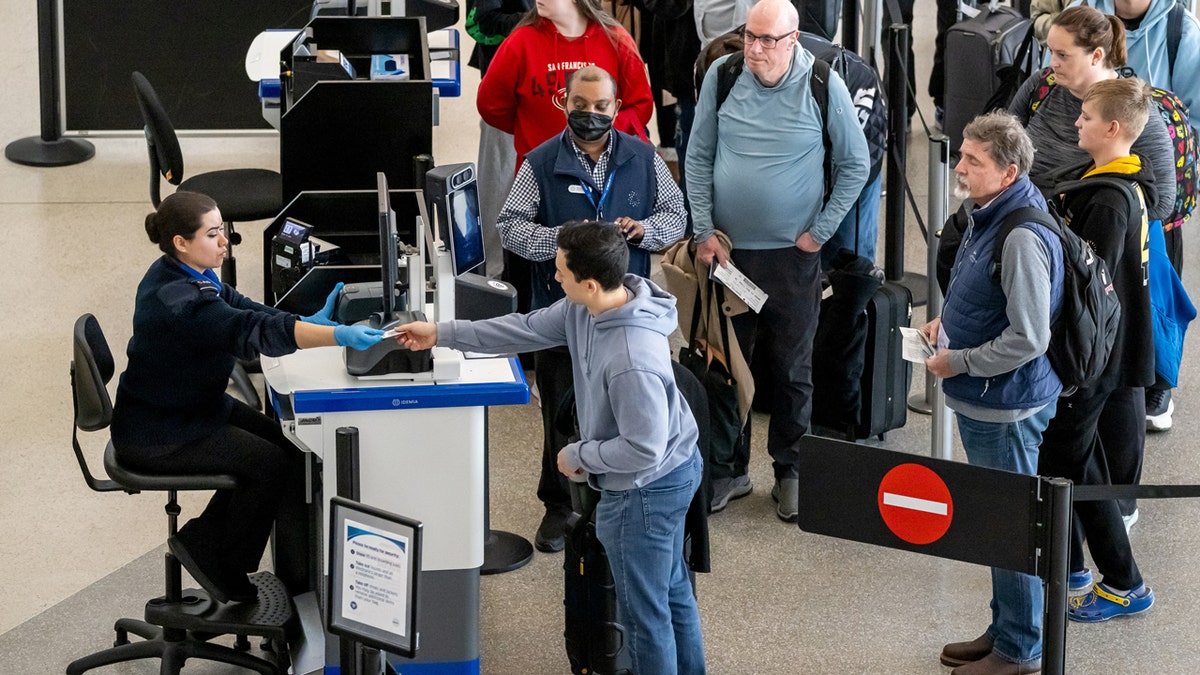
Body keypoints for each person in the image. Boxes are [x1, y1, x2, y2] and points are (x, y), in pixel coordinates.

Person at [395, 220, 705, 675]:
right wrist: (441, 332)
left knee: (645, 613)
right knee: (671, 590)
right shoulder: (588, 309)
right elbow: (522, 330)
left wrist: (579, 456)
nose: (554, 276)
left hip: (647, 489)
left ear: (591, 283)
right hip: (665, 470)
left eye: (561, 271)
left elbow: (643, 450)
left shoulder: (630, 358)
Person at [110, 191, 384, 604]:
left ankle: (207, 541)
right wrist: (334, 336)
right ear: (181, 242)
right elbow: (250, 334)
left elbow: (244, 309)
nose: (225, 243)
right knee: (270, 463)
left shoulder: (185, 271)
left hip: (189, 406)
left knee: (292, 447)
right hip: (160, 433)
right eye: (214, 234)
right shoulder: (181, 301)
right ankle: (222, 564)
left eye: (225, 232)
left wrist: (305, 322)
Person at [685, 0, 869, 522]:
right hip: (727, 255)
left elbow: (855, 163)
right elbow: (697, 156)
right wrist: (703, 232)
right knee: (725, 367)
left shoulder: (822, 83)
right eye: (750, 37)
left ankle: (791, 469)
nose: (756, 49)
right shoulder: (722, 75)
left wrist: (819, 233)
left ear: (794, 41)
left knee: (792, 368)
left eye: (768, 40)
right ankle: (727, 469)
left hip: (792, 260)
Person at [497, 65, 687, 551]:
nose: (591, 116)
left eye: (601, 108)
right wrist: (563, 241)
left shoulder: (645, 159)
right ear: (564, 103)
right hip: (563, 315)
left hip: (627, 320)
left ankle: (615, 502)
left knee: (626, 415)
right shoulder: (539, 163)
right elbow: (511, 226)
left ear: (616, 109)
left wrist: (644, 229)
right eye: (580, 106)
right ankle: (559, 506)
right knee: (562, 414)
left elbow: (675, 217)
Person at [925, 111, 1063, 675]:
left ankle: (1020, 649)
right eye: (962, 154)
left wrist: (957, 360)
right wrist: (946, 325)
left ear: (1007, 174)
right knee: (997, 522)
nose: (959, 167)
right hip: (986, 398)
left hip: (1005, 407)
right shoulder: (989, 211)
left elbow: (1029, 337)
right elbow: (980, 293)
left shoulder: (1022, 235)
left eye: (972, 161)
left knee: (1010, 527)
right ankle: (1006, 626)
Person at [1039, 76, 1156, 623]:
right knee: (1079, 458)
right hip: (1110, 351)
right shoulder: (1123, 183)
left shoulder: (1107, 201)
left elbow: (1093, 285)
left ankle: (1120, 580)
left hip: (1097, 355)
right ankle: (1077, 570)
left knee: (1062, 459)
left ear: (1113, 128)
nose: (1076, 123)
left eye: (1085, 118)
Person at [1078, 0, 1200, 431]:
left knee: (1159, 287)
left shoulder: (1179, 30)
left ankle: (1160, 382)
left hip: (1156, 182)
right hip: (1103, 172)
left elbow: (1195, 112)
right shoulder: (1087, 11)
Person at [1008, 6, 1175, 225]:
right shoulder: (1043, 84)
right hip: (1022, 218)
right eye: (1051, 51)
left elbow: (1163, 203)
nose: (1052, 63)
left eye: (1062, 55)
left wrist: (1085, 209)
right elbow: (1004, 146)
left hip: (1086, 241)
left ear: (1096, 55)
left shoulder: (1133, 110)